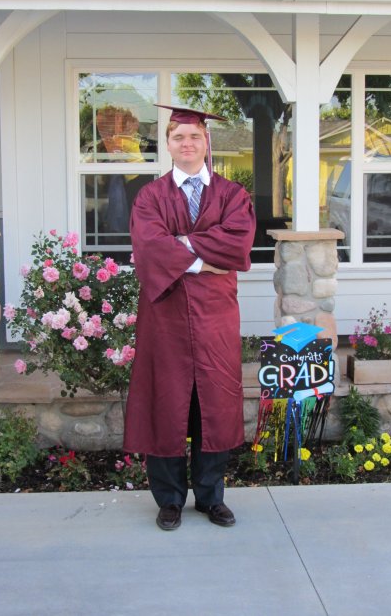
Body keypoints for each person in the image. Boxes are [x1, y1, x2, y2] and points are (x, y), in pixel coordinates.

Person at [123, 104, 256, 531]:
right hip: (166, 318)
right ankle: (169, 500)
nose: (187, 144)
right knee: (166, 402)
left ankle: (211, 497)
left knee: (212, 404)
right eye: (178, 137)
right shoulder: (150, 197)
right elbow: (149, 249)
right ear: (167, 144)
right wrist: (201, 259)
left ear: (206, 142)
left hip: (216, 317)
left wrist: (180, 246)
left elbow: (236, 248)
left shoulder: (234, 195)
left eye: (194, 136)